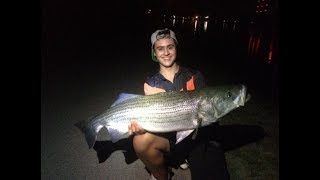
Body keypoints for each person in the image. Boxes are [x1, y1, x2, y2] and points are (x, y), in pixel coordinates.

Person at [128, 28, 230, 180]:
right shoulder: (151, 83)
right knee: (140, 140)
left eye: (170, 47)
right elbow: (156, 120)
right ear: (154, 53)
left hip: (197, 138)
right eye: (160, 48)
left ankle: (188, 158)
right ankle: (162, 174)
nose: (166, 52)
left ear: (176, 48)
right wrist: (142, 127)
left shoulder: (194, 76)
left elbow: (208, 113)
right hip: (170, 141)